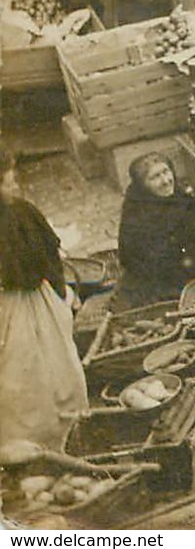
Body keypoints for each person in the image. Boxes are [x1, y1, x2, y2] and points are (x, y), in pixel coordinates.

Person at [0, 148, 90, 449]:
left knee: (52, 373)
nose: (14, 185)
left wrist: (60, 293)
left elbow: (49, 258)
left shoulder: (22, 213)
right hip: (11, 308)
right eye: (7, 180)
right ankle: (30, 448)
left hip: (33, 303)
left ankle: (63, 440)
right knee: (22, 382)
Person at [115, 152, 195, 310]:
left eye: (166, 172)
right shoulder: (138, 215)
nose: (166, 181)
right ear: (143, 185)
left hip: (186, 260)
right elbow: (150, 260)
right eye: (155, 177)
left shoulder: (178, 195)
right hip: (161, 276)